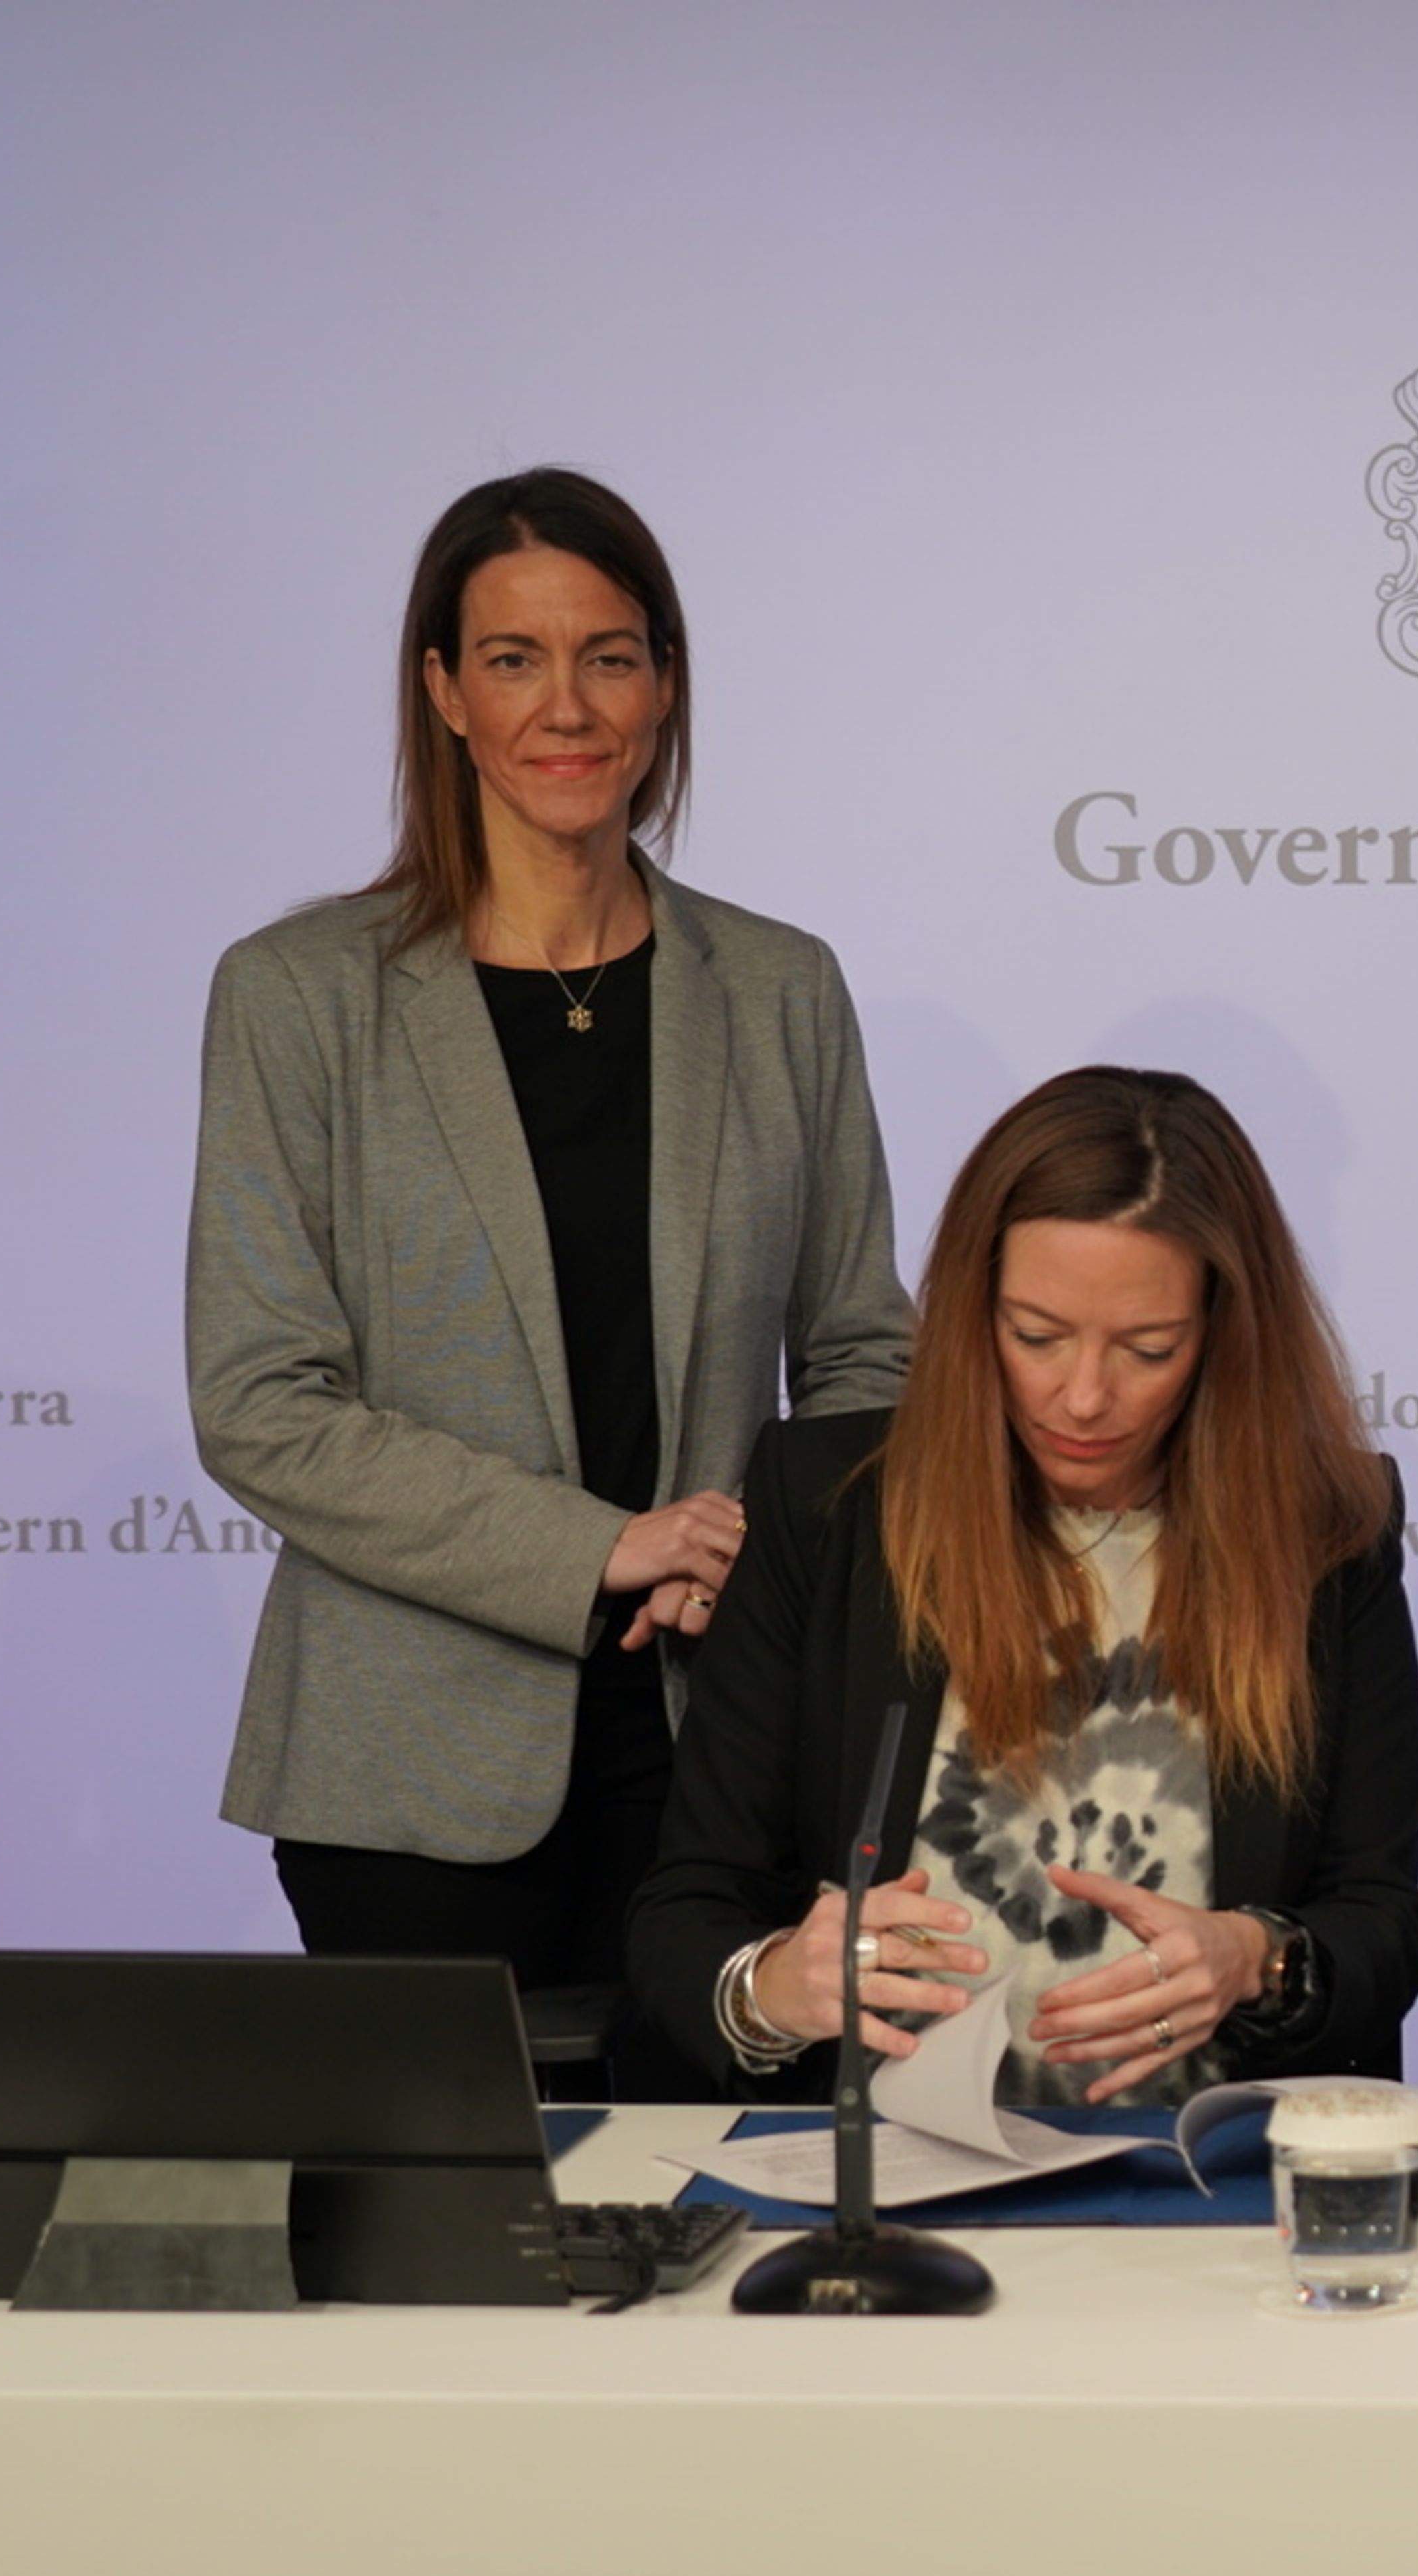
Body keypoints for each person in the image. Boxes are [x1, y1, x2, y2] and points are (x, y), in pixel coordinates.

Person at [188, 469, 910, 2087]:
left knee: (725, 2257)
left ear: (663, 687)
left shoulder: (781, 989)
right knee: (451, 2277)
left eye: (611, 655)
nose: (566, 706)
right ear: (443, 693)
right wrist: (608, 1547)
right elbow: (261, 1406)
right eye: (513, 659)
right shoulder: (300, 998)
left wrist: (744, 1544)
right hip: (402, 1775)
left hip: (725, 1757)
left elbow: (867, 1357)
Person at [629, 1067, 1418, 2102]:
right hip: (883, 2169)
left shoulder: (1324, 1528)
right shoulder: (829, 1504)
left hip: (1208, 2168)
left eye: (1148, 1349)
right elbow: (687, 1909)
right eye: (1037, 1337)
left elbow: (1384, 1914)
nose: (1085, 1396)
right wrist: (772, 1988)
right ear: (974, 1314)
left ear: (1222, 1336)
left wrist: (1257, 1958)